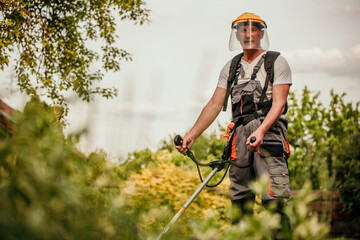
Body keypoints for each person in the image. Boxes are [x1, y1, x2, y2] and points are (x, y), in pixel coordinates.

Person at [176, 12, 292, 237]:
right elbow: (214, 104)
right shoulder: (231, 67)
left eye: (253, 30)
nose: (248, 34)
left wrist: (260, 130)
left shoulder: (276, 61)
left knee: (273, 200)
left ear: (261, 33)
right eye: (243, 30)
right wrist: (192, 135)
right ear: (237, 35)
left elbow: (279, 104)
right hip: (238, 137)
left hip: (267, 135)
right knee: (240, 202)